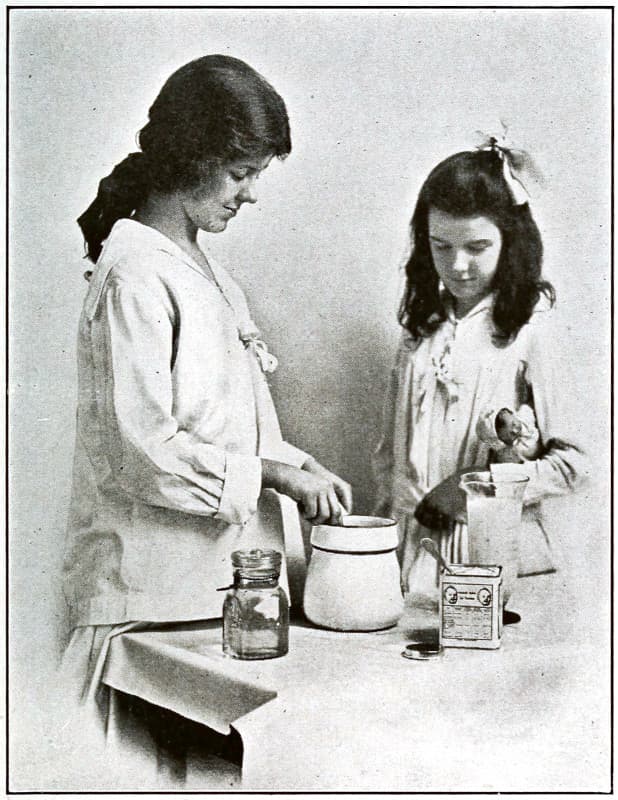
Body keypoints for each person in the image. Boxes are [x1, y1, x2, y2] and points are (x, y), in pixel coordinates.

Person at [60, 54, 352, 770]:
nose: (250, 195)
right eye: (241, 172)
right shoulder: (134, 271)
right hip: (152, 614)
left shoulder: (206, 272)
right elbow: (144, 450)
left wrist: (291, 462)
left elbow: (228, 430)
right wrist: (273, 478)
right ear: (191, 156)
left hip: (209, 608)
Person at [372, 139, 588, 596]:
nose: (458, 265)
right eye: (441, 246)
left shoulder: (532, 329)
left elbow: (575, 465)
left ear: (510, 243)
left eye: (477, 246)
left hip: (495, 554)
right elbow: (391, 458)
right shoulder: (418, 330)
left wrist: (473, 488)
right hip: (412, 554)